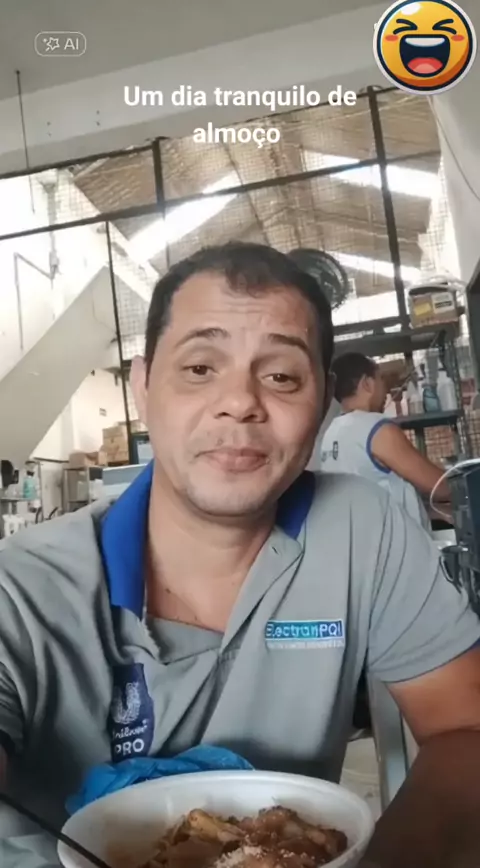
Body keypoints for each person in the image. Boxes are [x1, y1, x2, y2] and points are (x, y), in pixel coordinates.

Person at [1, 241, 480, 868]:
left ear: (321, 407)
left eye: (281, 376)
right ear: (143, 387)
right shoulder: (22, 587)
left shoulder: (361, 531)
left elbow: (463, 727)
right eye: (200, 367)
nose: (241, 402)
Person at [320, 352, 451, 530]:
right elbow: (439, 486)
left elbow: (376, 492)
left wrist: (432, 511)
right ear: (367, 384)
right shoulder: (376, 429)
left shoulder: (331, 433)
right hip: (397, 543)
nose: (386, 390)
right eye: (380, 378)